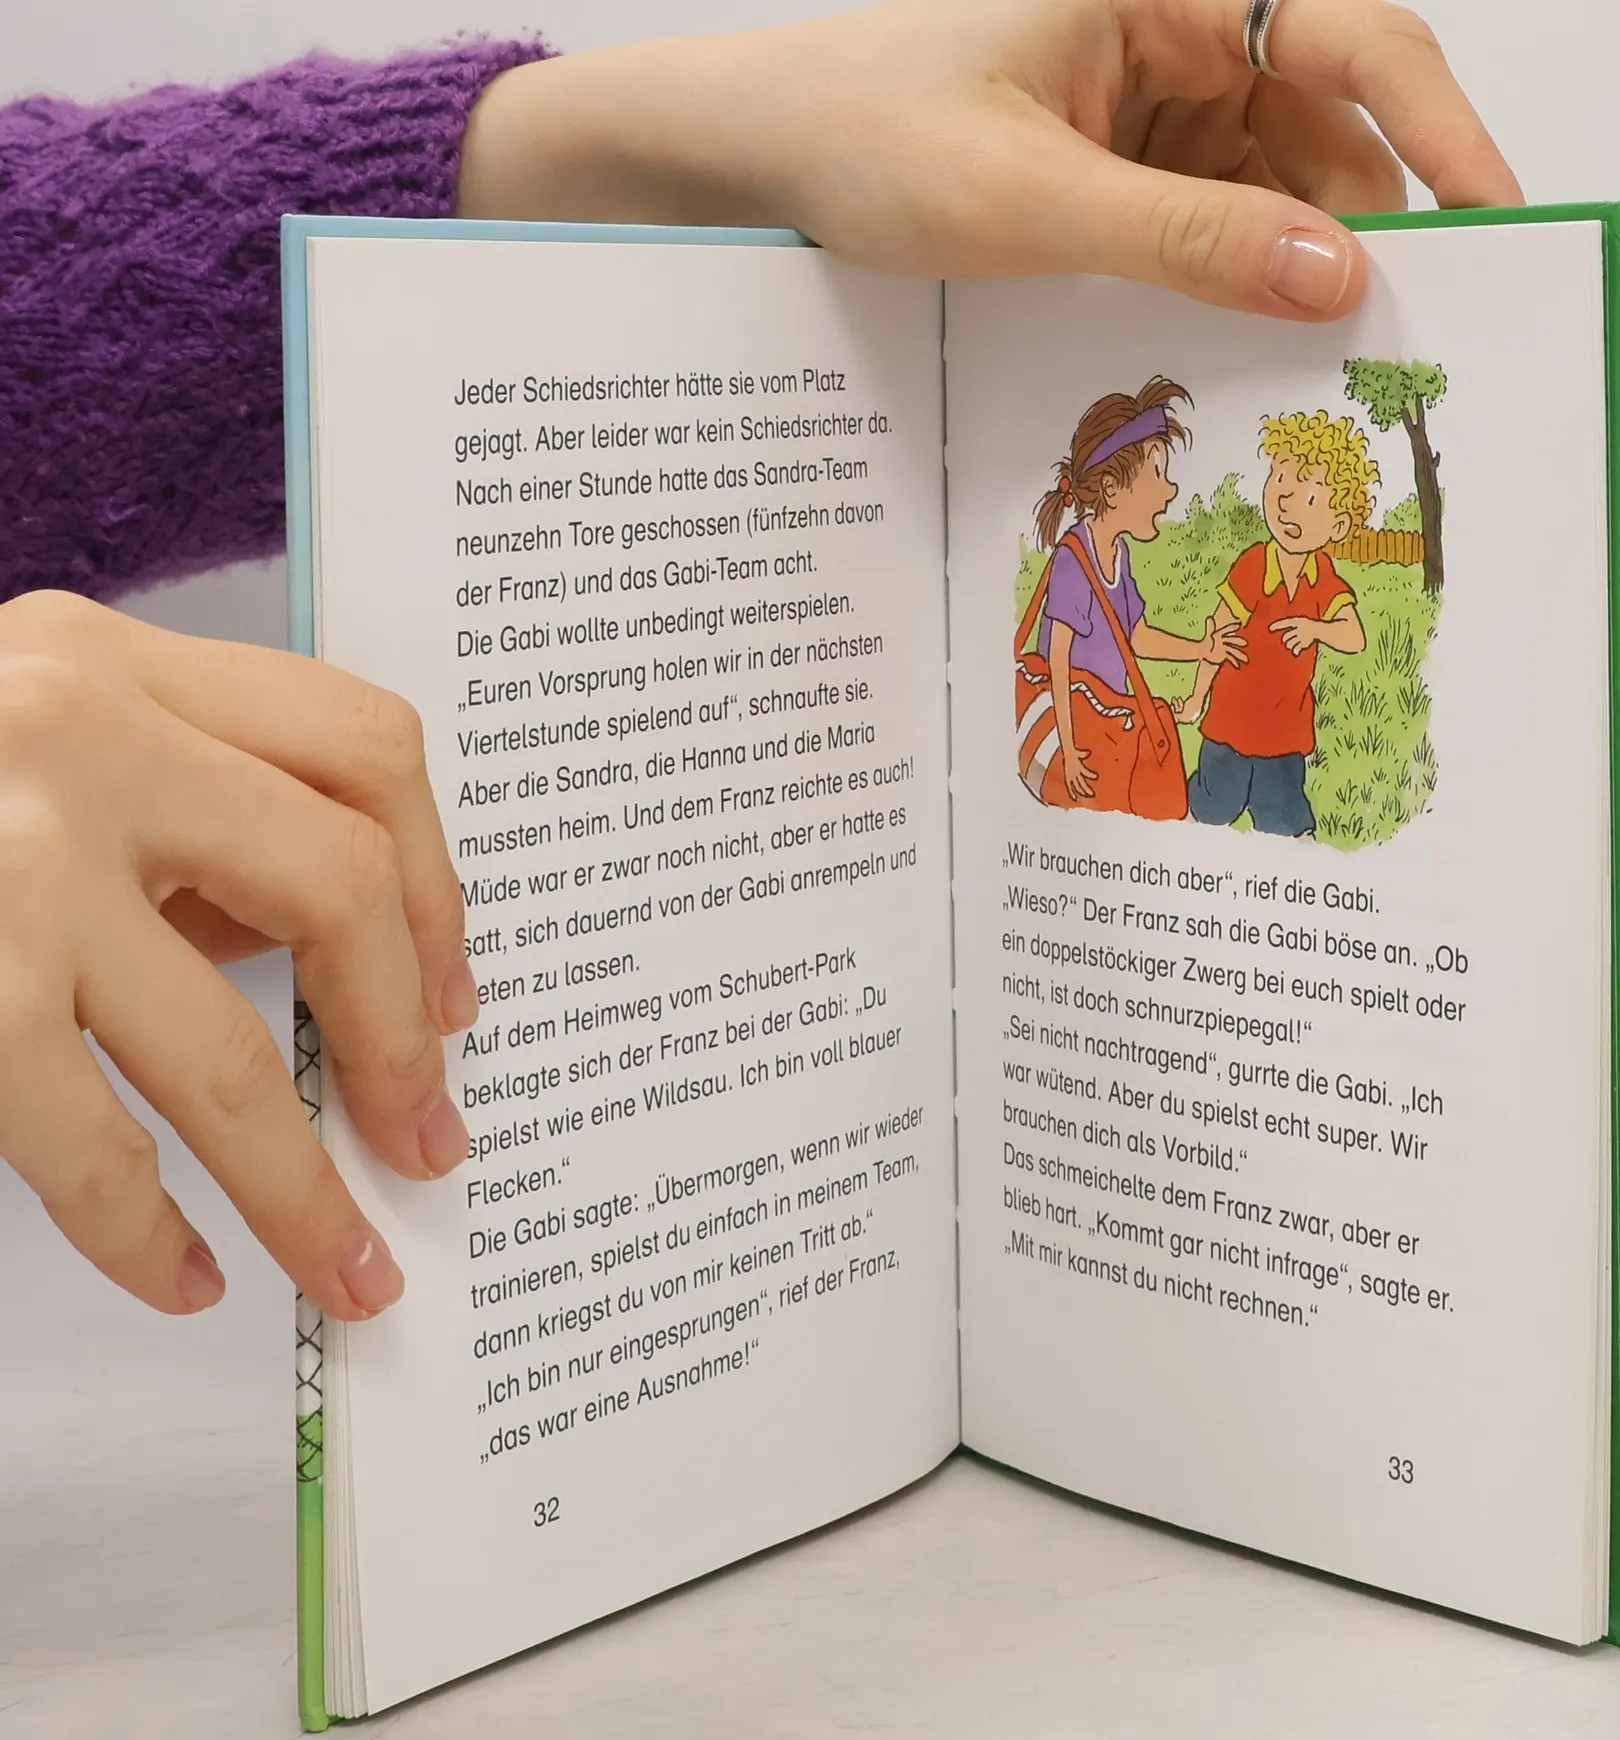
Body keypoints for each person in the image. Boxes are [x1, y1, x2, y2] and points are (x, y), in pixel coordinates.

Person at [0, 0, 1521, 1320]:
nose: (1175, 500)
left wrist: (656, 135)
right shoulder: (1096, 563)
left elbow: (58, 315)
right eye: (1157, 483)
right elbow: (1076, 659)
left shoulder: (1147, 561)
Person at [1017, 379, 1243, 815]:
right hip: (1074, 728)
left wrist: (1202, 648)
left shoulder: (1119, 554)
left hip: (1106, 718)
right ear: (1111, 489)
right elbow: (1058, 660)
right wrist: (1068, 749)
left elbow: (1135, 637)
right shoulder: (1074, 560)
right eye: (1157, 474)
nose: (1170, 490)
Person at [1179, 409, 1377, 835]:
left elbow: (1354, 635)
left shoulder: (1322, 577)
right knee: (1210, 811)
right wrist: (1196, 697)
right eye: (1279, 480)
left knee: (1287, 825)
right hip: (1230, 729)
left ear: (1338, 524)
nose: (1285, 502)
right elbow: (1216, 636)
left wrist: (1315, 628)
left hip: (1285, 738)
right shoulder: (1253, 566)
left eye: (1309, 498)